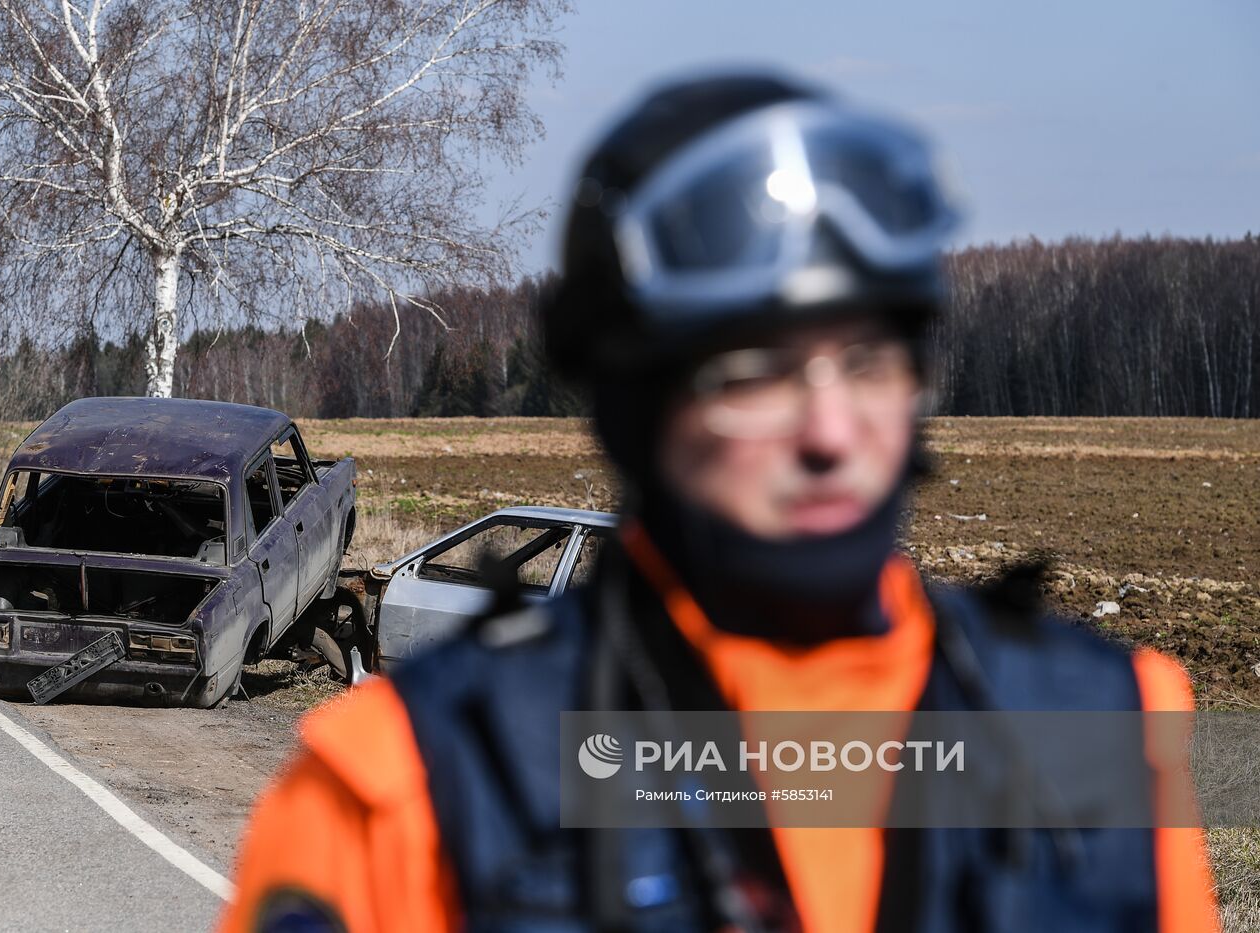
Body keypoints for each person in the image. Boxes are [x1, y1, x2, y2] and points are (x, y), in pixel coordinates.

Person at [220, 72, 1218, 933]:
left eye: (868, 362)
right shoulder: (402, 786)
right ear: (628, 406)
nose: (831, 435)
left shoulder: (1100, 730)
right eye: (754, 375)